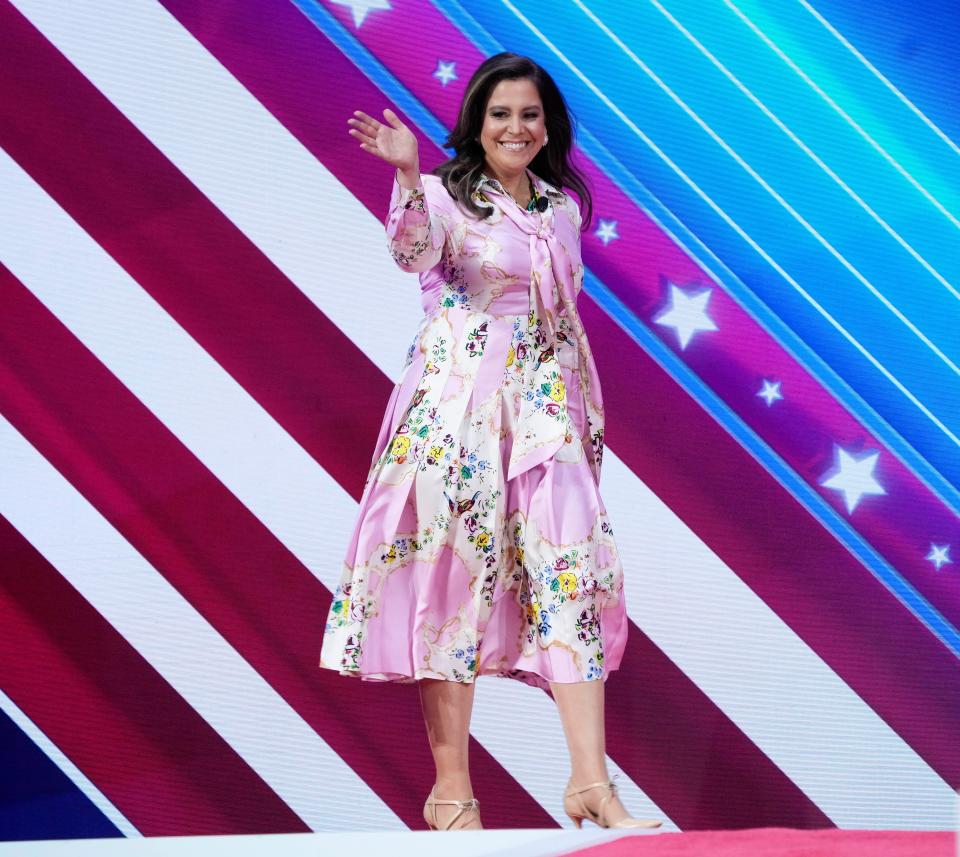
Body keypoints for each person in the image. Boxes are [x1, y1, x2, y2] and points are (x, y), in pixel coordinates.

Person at [320, 52, 660, 833]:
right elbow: (411, 255)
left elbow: (563, 320)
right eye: (501, 113)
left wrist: (581, 418)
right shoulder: (443, 196)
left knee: (572, 574)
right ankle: (451, 793)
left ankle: (590, 784)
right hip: (457, 416)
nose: (516, 127)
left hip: (545, 420)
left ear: (549, 128)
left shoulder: (563, 207)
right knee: (451, 585)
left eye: (530, 114)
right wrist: (408, 175)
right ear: (477, 121)